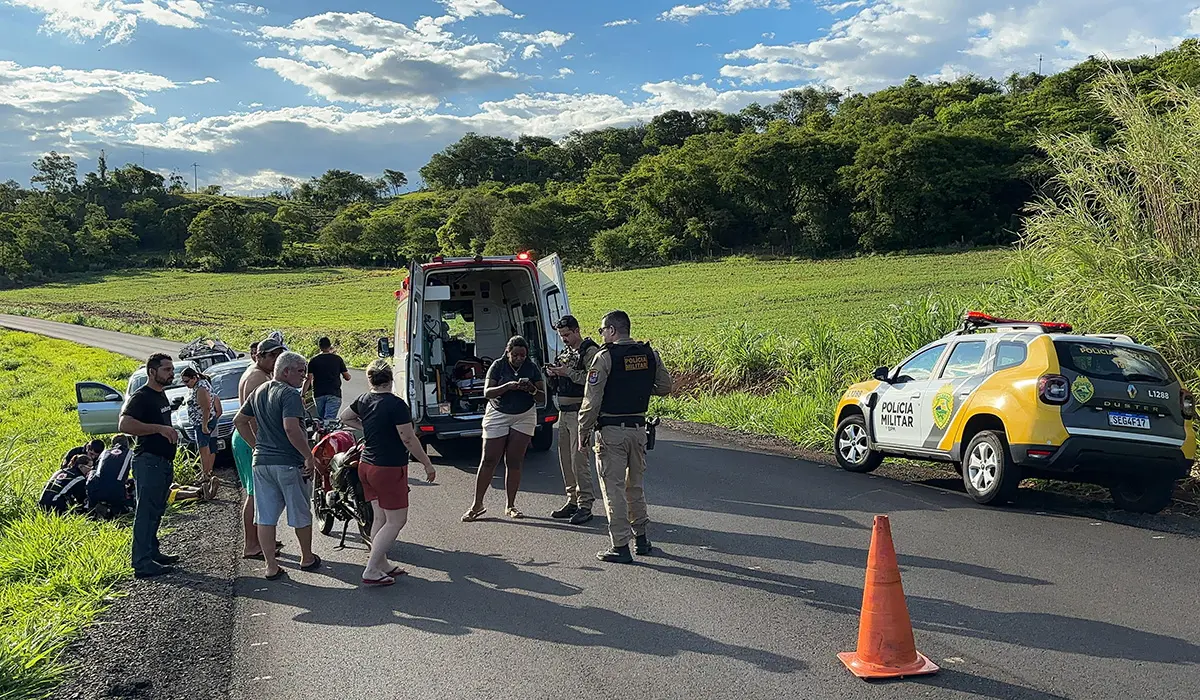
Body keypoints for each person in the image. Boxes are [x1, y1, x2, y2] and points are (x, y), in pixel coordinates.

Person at [579, 310, 673, 564]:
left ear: (612, 330)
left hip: (611, 431)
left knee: (614, 489)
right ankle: (642, 539)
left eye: (602, 330)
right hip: (639, 429)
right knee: (636, 486)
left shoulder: (605, 357)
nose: (601, 335)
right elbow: (665, 387)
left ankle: (620, 545)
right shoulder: (650, 354)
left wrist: (583, 431)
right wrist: (639, 387)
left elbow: (592, 400)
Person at [338, 359, 436, 587]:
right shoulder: (396, 405)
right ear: (391, 379)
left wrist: (370, 428)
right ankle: (372, 568)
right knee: (396, 520)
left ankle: (381, 562)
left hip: (367, 465)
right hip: (389, 467)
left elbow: (345, 417)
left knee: (380, 517)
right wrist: (427, 463)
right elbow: (408, 438)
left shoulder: (363, 399)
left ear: (369, 379)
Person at [234, 350, 320, 580]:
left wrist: (255, 446)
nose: (303, 377)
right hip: (288, 463)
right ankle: (307, 557)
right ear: (286, 371)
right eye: (300, 371)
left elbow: (239, 421)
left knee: (266, 516)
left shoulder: (259, 391)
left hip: (261, 463)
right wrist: (308, 456)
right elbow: (291, 428)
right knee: (300, 511)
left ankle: (271, 566)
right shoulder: (289, 394)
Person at [462, 336, 545, 522]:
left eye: (522, 355)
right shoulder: (498, 366)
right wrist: (507, 386)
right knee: (489, 459)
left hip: (524, 415)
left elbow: (541, 397)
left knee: (514, 461)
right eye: (515, 355)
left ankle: (511, 505)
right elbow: (487, 392)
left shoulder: (531, 367)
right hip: (498, 413)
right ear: (507, 352)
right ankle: (477, 504)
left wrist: (531, 389)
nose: (519, 358)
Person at [119, 352, 182, 579]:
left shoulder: (160, 395)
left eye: (171, 370)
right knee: (146, 512)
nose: (171, 374)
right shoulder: (142, 396)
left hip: (163, 462)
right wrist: (159, 429)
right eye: (166, 370)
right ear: (152, 372)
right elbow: (124, 423)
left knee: (157, 510)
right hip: (149, 461)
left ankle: (153, 552)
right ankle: (142, 562)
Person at [544, 315, 601, 525]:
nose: (564, 339)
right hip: (565, 412)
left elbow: (593, 379)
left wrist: (567, 373)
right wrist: (553, 374)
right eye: (561, 336)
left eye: (567, 335)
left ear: (577, 331)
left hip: (580, 412)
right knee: (566, 459)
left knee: (579, 460)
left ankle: (585, 504)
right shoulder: (568, 352)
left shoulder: (590, 352)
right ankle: (573, 499)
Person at [234, 336, 287, 559]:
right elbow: (254, 416)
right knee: (256, 494)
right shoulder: (258, 378)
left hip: (247, 436)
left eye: (279, 355)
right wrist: (260, 445)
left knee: (260, 493)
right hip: (251, 437)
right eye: (272, 355)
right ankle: (252, 544)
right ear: (260, 356)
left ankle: (262, 538)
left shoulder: (257, 373)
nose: (276, 359)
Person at [181, 366, 221, 499]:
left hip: (202, 422)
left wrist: (204, 425)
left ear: (194, 378)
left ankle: (205, 475)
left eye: (187, 381)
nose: (186, 384)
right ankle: (207, 473)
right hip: (201, 421)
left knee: (204, 448)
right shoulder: (198, 386)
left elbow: (206, 408)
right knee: (207, 448)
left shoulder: (201, 388)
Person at [87, 435, 136, 518]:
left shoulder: (105, 452)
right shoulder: (130, 453)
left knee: (93, 472)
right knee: (134, 482)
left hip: (94, 489)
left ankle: (92, 506)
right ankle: (118, 509)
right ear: (127, 444)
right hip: (115, 491)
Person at [304, 337, 351, 422]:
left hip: (318, 394)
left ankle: (321, 434)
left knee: (322, 420)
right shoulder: (337, 359)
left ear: (319, 347)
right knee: (329, 420)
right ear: (330, 346)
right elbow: (347, 377)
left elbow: (308, 379)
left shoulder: (313, 360)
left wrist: (302, 394)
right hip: (334, 393)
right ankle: (328, 434)